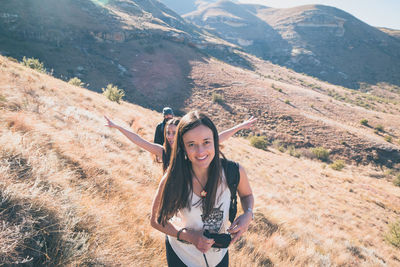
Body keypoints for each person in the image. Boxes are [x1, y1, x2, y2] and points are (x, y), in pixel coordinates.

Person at [150, 111, 254, 267]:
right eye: (191, 144)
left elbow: (247, 195)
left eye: (206, 142)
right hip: (182, 256)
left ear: (215, 141)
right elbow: (156, 220)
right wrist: (190, 237)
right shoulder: (173, 177)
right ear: (183, 147)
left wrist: (248, 214)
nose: (200, 152)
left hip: (218, 257)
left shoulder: (234, 171)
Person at [104, 115, 256, 172]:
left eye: (174, 133)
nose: (170, 136)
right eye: (168, 132)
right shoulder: (163, 151)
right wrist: (118, 127)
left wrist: (241, 126)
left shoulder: (190, 150)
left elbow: (219, 138)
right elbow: (139, 140)